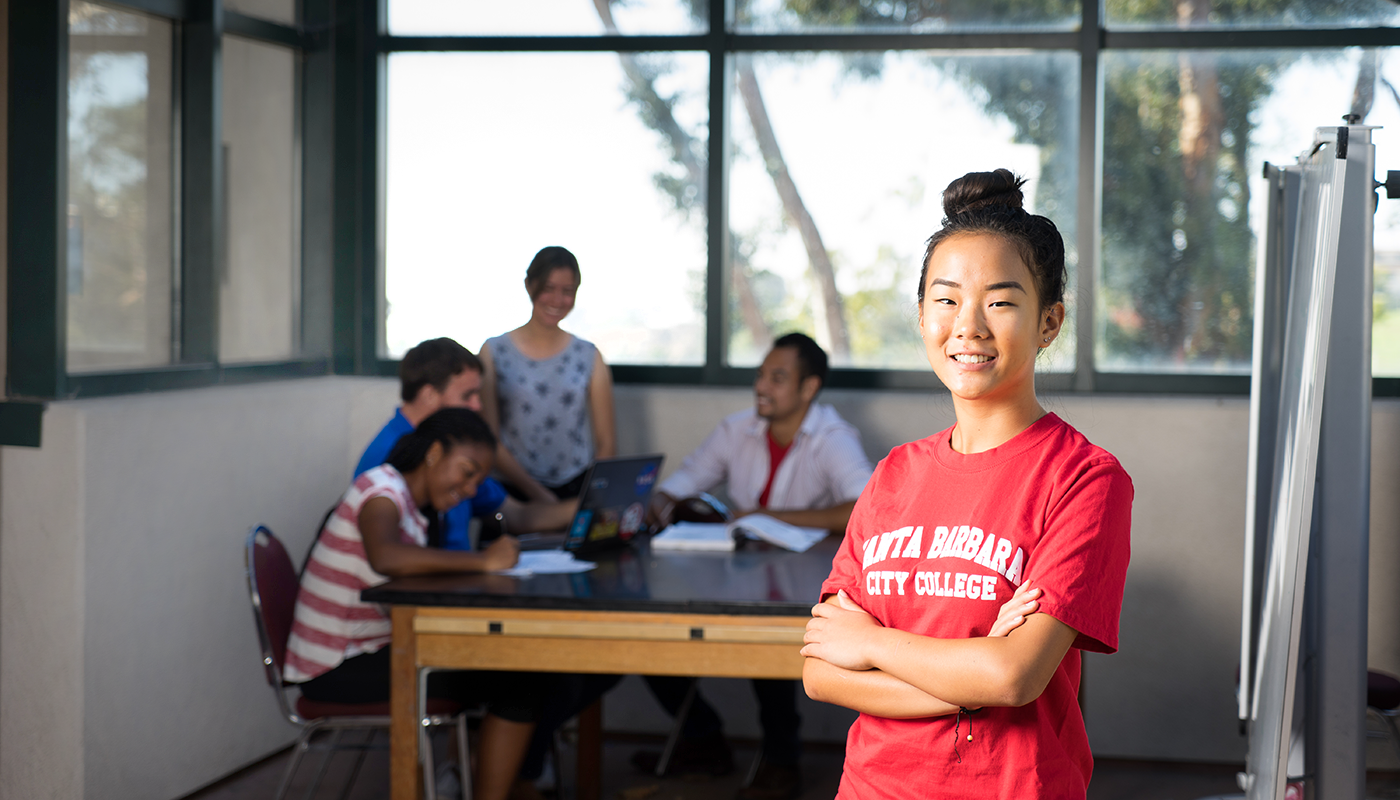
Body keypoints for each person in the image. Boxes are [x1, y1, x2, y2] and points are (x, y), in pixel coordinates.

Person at [801, 169, 1134, 799]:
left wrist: (871, 643)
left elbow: (1012, 678)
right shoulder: (892, 475)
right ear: (922, 314)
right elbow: (821, 671)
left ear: (1049, 321)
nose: (969, 326)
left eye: (1001, 301)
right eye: (946, 299)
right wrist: (965, 678)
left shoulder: (1086, 479)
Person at [641, 332, 874, 800]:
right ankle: (703, 739)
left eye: (778, 377)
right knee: (652, 632)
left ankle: (781, 760)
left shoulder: (831, 436)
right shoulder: (736, 429)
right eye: (761, 375)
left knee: (770, 639)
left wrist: (767, 517)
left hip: (802, 583)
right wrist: (662, 500)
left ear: (809, 388)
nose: (762, 387)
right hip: (735, 574)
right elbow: (682, 484)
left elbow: (865, 507)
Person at [285, 408, 548, 800]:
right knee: (519, 681)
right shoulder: (381, 489)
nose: (473, 489)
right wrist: (483, 561)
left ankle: (483, 782)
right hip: (337, 664)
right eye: (468, 471)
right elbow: (386, 557)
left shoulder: (416, 514)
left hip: (370, 650)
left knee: (514, 668)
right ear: (434, 453)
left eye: (480, 479)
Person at [356, 337, 577, 548]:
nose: (477, 406)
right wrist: (481, 563)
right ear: (429, 395)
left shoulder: (457, 447)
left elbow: (515, 515)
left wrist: (586, 509)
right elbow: (387, 556)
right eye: (467, 396)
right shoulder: (385, 462)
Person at [480, 246, 616, 499]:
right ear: (529, 285)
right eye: (548, 288)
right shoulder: (493, 352)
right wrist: (539, 495)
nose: (557, 300)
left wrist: (594, 497)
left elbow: (606, 443)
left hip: (574, 486)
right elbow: (489, 438)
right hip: (510, 489)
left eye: (567, 292)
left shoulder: (588, 355)